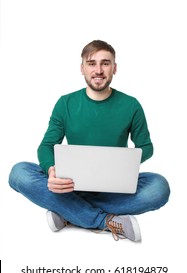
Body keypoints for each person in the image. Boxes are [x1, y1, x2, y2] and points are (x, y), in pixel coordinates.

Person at [9, 40, 170, 242]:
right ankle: (104, 221)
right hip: (71, 185)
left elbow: (146, 147)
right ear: (82, 68)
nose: (99, 70)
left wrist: (125, 162)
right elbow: (47, 146)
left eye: (105, 63)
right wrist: (51, 170)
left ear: (115, 68)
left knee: (159, 187)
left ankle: (69, 212)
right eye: (91, 63)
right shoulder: (65, 103)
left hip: (114, 187)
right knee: (18, 173)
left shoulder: (131, 105)